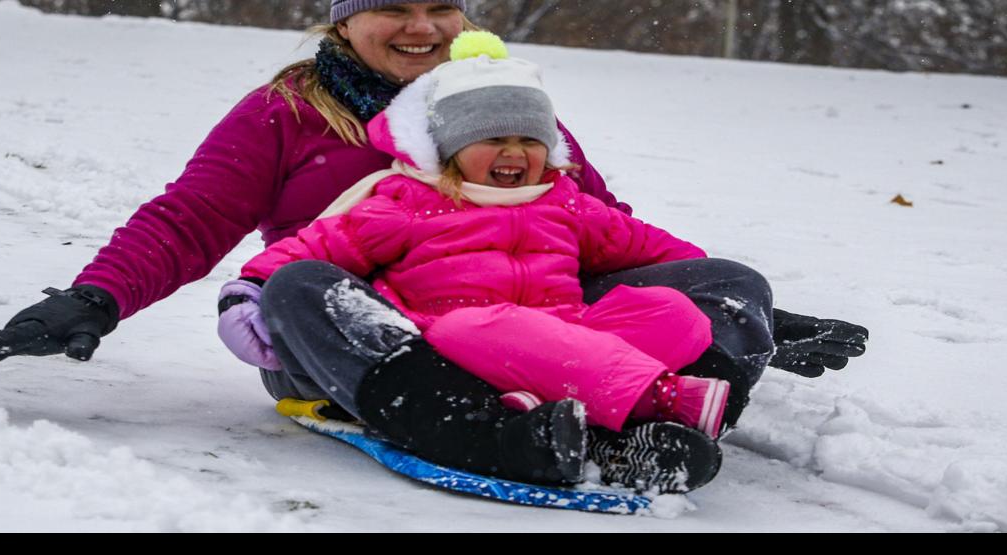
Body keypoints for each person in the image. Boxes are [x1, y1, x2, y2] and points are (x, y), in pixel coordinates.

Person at [0, 1, 867, 454]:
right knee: (307, 286)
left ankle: (670, 422)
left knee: (729, 283)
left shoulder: (504, 111)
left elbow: (596, 227)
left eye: (443, 5)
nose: (423, 25)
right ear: (345, 18)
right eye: (395, 4)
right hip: (374, 336)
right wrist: (96, 296)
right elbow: (193, 217)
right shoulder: (288, 113)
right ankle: (484, 429)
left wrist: (748, 317)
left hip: (540, 329)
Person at [228, 35, 732, 491]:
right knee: (480, 325)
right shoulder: (408, 203)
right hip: (456, 347)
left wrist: (727, 297)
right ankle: (655, 399)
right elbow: (312, 250)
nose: (514, 153)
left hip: (563, 341)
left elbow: (663, 252)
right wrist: (246, 294)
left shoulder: (565, 202)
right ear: (451, 148)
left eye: (530, 140)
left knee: (671, 310)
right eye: (492, 139)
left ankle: (588, 423)